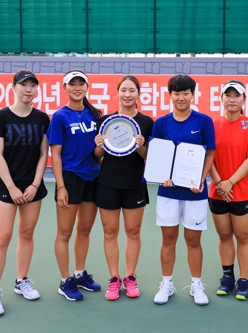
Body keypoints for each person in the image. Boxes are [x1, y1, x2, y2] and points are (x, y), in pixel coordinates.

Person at [0, 70, 50, 316]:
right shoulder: (1, 117)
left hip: (32, 185)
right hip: (6, 187)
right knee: (2, 238)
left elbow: (44, 154)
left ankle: (21, 280)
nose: (29, 89)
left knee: (27, 234)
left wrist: (34, 185)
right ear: (13, 87)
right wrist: (12, 188)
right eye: (24, 85)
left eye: (33, 85)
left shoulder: (42, 118)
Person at [151, 74, 216, 306]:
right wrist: (161, 177)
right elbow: (157, 154)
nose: (181, 97)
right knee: (168, 239)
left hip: (195, 191)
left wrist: (201, 178)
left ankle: (196, 285)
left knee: (193, 240)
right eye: (176, 93)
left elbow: (210, 152)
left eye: (185, 93)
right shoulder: (161, 124)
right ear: (170, 95)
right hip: (168, 192)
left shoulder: (203, 121)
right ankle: (166, 283)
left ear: (192, 94)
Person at [94, 75, 154, 301]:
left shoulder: (147, 122)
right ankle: (114, 278)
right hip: (108, 183)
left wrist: (141, 147)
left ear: (139, 94)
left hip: (135, 184)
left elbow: (150, 157)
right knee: (110, 232)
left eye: (132, 90)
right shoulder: (106, 121)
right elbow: (98, 155)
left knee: (133, 232)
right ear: (117, 93)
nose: (128, 94)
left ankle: (130, 277)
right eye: (124, 90)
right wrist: (98, 146)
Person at [47, 69, 102, 302]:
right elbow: (55, 154)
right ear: (65, 88)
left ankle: (79, 274)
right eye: (72, 84)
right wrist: (60, 186)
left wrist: (102, 145)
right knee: (65, 232)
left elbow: (98, 153)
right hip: (69, 180)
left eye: (81, 84)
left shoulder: (95, 114)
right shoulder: (60, 117)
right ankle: (65, 280)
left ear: (87, 88)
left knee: (85, 230)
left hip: (93, 178)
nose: (77, 87)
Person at [208, 80, 248, 301]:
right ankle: (228, 276)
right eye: (227, 95)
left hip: (243, 192)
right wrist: (221, 183)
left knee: (243, 236)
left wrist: (230, 182)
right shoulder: (212, 125)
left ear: (243, 100)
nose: (232, 99)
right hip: (217, 191)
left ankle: (244, 280)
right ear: (221, 98)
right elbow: (208, 156)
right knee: (224, 235)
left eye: (236, 95)